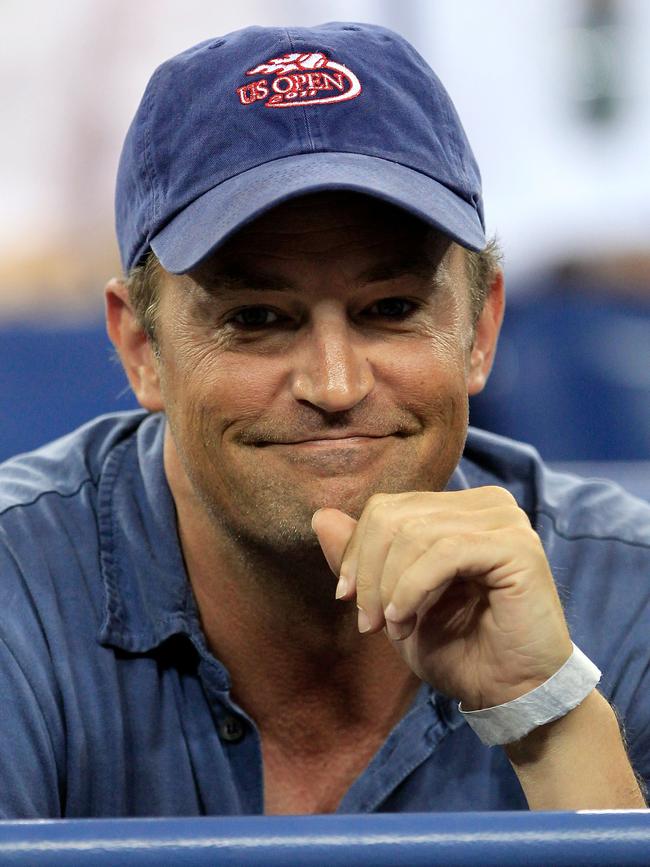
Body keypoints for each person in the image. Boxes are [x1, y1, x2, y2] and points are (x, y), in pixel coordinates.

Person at [1, 22, 648, 819]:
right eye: (258, 318)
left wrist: (549, 714)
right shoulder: (16, 594)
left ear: (480, 330)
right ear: (141, 346)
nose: (336, 384)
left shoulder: (633, 597)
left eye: (391, 309)